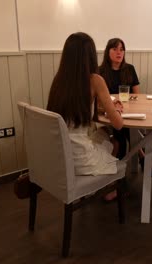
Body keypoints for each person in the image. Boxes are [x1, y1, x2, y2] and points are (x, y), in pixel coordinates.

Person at [46, 32, 124, 176]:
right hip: (80, 159)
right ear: (91, 56)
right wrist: (116, 110)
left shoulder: (59, 80)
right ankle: (107, 186)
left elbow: (79, 107)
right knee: (115, 142)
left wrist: (101, 108)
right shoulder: (95, 80)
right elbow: (118, 124)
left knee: (103, 133)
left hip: (60, 155)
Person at [99, 38, 140, 159]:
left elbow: (138, 94)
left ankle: (123, 165)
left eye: (122, 49)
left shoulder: (129, 69)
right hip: (109, 112)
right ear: (107, 51)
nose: (119, 52)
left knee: (127, 129)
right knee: (122, 131)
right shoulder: (100, 71)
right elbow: (99, 99)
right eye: (115, 49)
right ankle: (140, 154)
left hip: (129, 110)